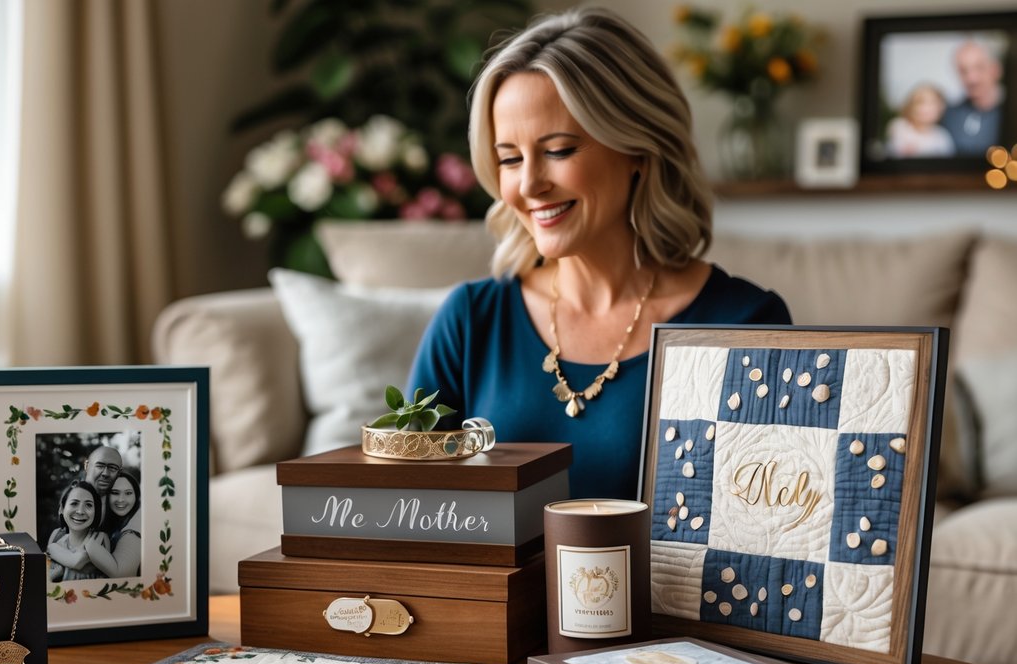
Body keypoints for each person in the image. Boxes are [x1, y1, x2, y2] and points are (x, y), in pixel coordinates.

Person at [407, 8, 791, 499]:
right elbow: (409, 513)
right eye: (509, 159)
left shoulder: (746, 323)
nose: (529, 185)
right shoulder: (470, 322)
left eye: (559, 150)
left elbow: (769, 535)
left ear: (637, 148)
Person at [941, 39, 1004, 156]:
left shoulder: (1010, 113)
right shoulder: (948, 114)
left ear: (996, 69)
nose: (971, 78)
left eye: (979, 67)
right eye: (963, 71)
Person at [46, 480, 111, 582]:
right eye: (74, 503)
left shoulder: (101, 538)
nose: (80, 511)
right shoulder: (55, 539)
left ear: (96, 512)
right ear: (61, 509)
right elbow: (47, 579)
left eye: (88, 505)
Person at [886, 83, 955, 158]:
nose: (926, 108)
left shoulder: (942, 137)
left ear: (941, 109)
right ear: (911, 106)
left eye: (932, 103)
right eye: (920, 102)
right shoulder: (899, 127)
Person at [100, 469, 142, 578]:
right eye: (115, 493)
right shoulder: (111, 524)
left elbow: (122, 576)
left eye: (128, 493)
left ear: (136, 496)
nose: (121, 499)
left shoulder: (134, 530)